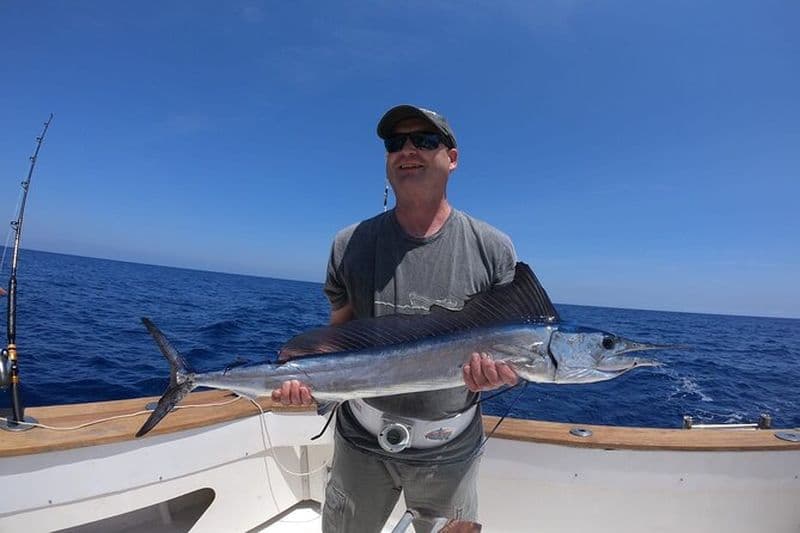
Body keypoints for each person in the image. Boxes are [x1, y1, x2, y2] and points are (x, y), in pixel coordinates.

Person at [272, 104, 520, 532]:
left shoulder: (493, 248)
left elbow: (514, 353)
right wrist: (309, 380)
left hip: (450, 448)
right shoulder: (350, 243)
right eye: (395, 143)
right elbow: (340, 335)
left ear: (452, 158)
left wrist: (503, 373)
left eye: (424, 141)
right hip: (360, 439)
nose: (408, 150)